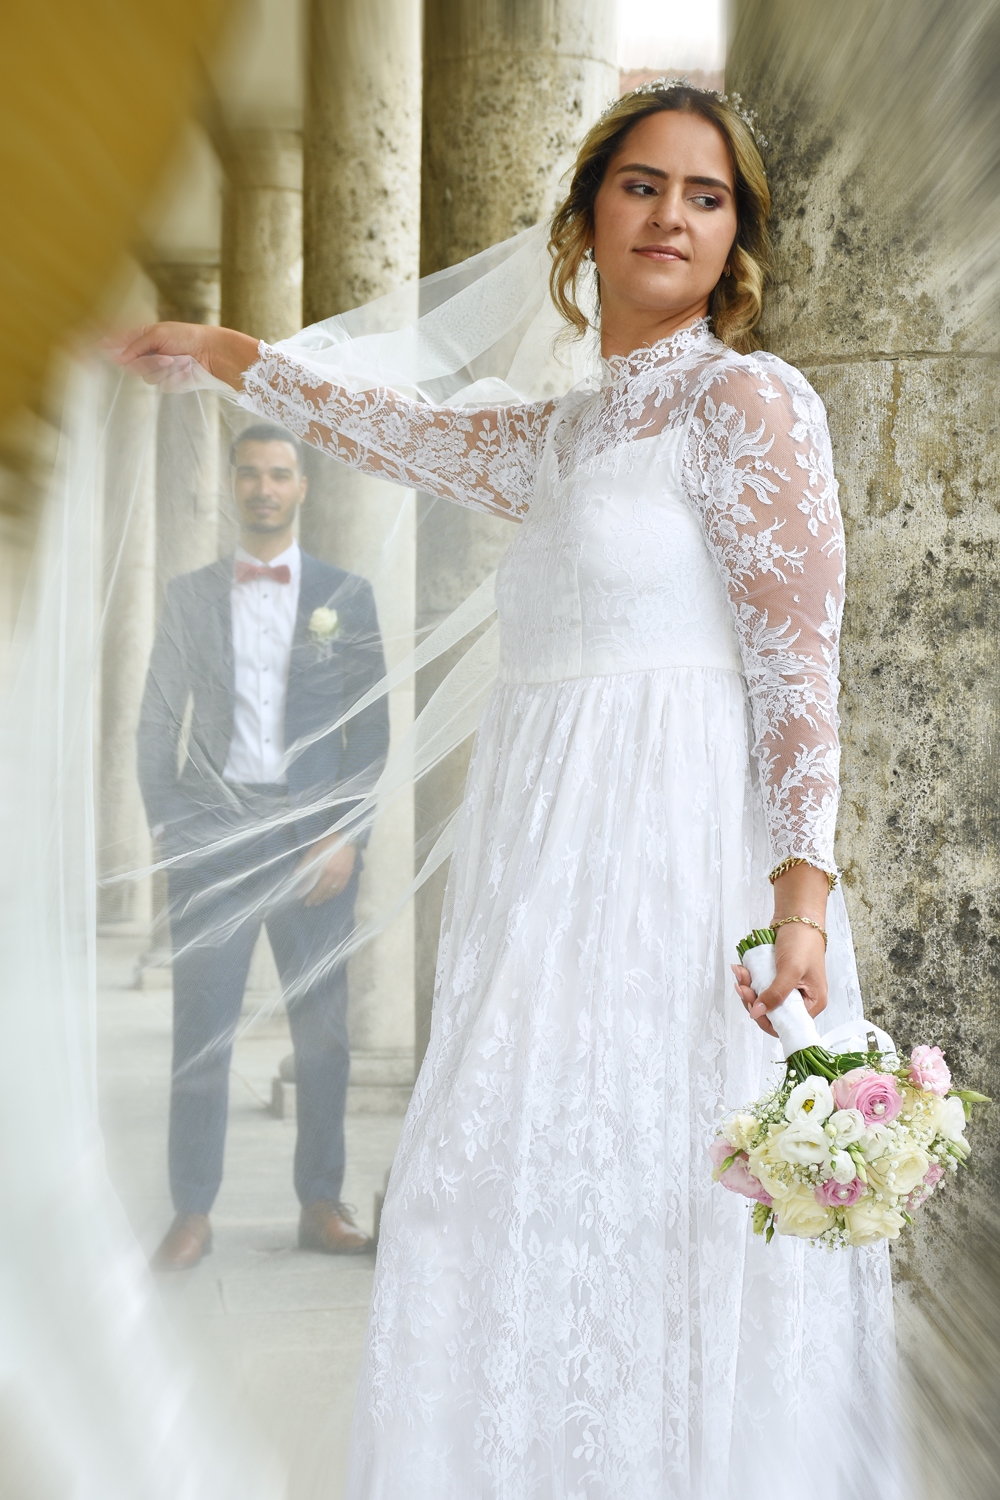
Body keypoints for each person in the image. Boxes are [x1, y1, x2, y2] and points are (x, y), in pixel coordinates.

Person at [116, 82, 898, 1498]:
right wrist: (231, 354)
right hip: (541, 868)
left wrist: (799, 900)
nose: (671, 216)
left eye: (706, 196)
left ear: (736, 237)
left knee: (662, 1194)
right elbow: (391, 429)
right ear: (586, 217)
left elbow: (801, 661)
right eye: (642, 185)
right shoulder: (561, 434)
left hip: (677, 864)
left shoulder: (746, 401)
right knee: (488, 1186)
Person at [136, 421, 390, 1270]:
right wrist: (171, 829)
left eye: (279, 474)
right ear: (233, 485)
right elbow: (156, 722)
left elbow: (371, 732)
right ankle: (191, 1213)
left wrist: (345, 834)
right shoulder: (188, 597)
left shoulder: (347, 596)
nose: (264, 488)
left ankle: (320, 1202)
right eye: (250, 474)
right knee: (201, 1031)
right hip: (212, 840)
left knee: (323, 1035)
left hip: (314, 844)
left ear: (302, 487)